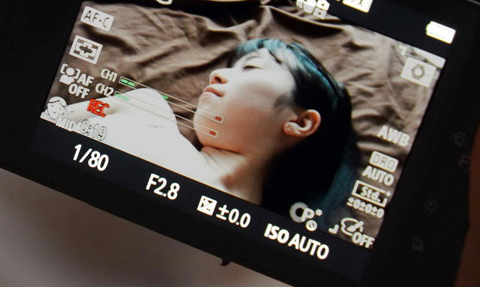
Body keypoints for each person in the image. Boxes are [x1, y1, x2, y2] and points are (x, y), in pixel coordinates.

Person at [54, 38, 356, 216]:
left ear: (300, 122)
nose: (217, 74)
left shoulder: (248, 237)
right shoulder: (142, 106)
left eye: (251, 67)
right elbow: (51, 121)